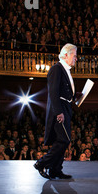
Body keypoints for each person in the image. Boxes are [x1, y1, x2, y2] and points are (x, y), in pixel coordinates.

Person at [34, 43, 81, 179]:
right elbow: (53, 92)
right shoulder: (57, 69)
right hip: (59, 109)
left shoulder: (64, 69)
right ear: (66, 55)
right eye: (74, 55)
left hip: (65, 107)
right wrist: (59, 112)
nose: (76, 59)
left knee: (62, 140)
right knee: (64, 140)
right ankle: (41, 163)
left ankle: (55, 170)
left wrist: (75, 95)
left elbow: (63, 91)